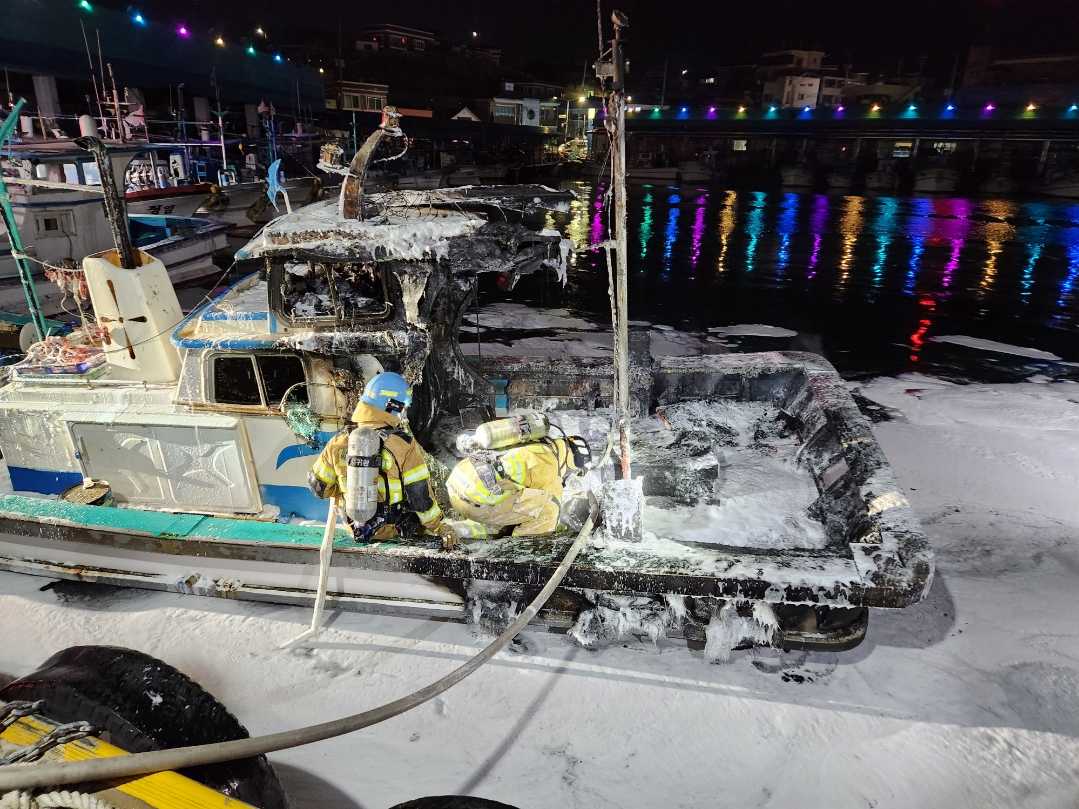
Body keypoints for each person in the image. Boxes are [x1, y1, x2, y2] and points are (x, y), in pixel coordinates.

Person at [308, 371, 456, 547]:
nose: (404, 412)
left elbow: (318, 488)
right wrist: (439, 527)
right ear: (391, 405)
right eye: (403, 406)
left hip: (354, 528)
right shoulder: (403, 444)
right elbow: (419, 496)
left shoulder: (338, 441)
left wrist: (348, 489)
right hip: (394, 531)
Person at [445, 433, 592, 539]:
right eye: (575, 473)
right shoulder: (550, 467)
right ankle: (520, 549)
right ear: (573, 463)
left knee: (519, 502)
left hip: (457, 483)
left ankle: (460, 530)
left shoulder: (539, 440)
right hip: (474, 500)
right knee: (550, 509)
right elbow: (551, 508)